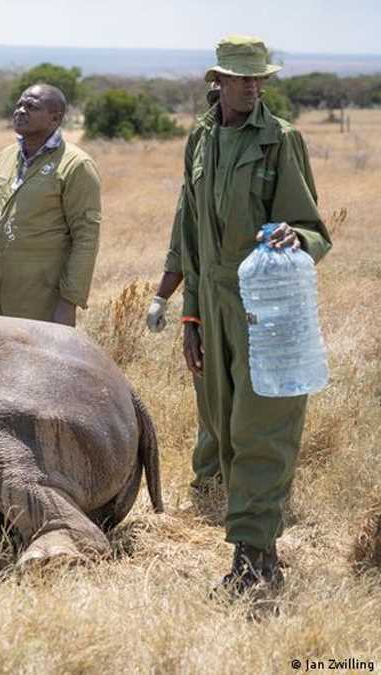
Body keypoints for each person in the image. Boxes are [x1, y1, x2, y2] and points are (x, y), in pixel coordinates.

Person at [177, 35, 331, 596]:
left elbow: (315, 230)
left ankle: (255, 561)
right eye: (240, 77)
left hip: (266, 306)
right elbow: (189, 231)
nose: (251, 87)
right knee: (223, 426)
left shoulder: (279, 140)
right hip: (213, 304)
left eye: (258, 78)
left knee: (261, 427)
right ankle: (247, 533)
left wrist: (298, 237)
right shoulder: (200, 137)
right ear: (217, 80)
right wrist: (189, 319)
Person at [0, 84, 101, 326]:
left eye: (31, 107)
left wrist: (68, 304)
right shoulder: (4, 158)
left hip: (40, 303)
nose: (21, 111)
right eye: (19, 105)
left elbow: (86, 237)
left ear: (55, 118)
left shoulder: (76, 165)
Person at [146, 198, 220, 494]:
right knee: (208, 395)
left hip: (253, 301)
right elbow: (182, 246)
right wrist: (161, 299)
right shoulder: (198, 164)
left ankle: (252, 483)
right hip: (204, 301)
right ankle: (209, 480)